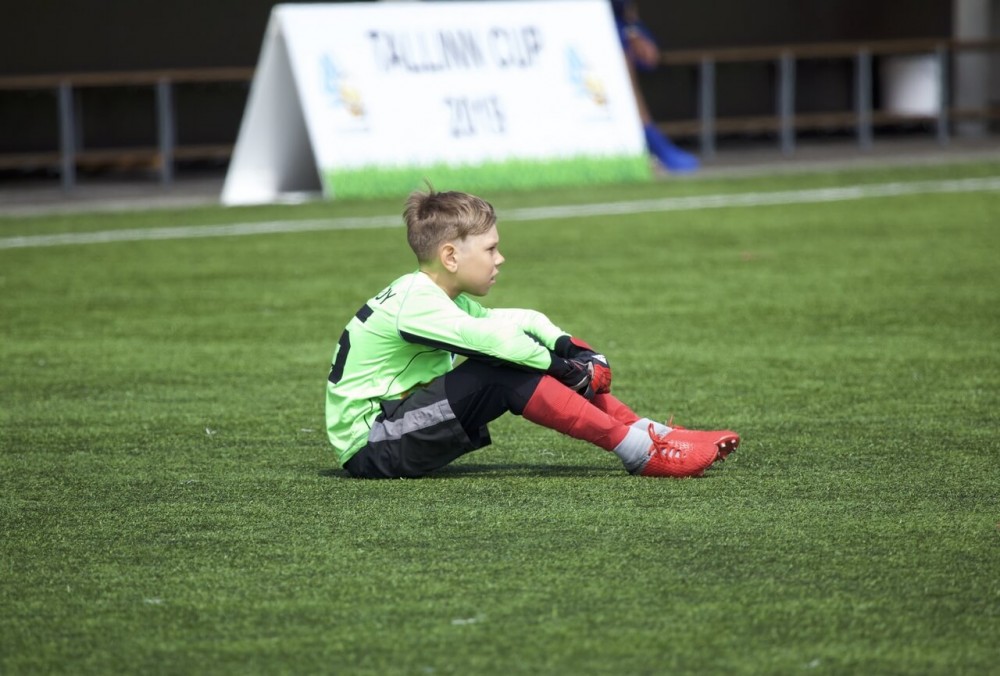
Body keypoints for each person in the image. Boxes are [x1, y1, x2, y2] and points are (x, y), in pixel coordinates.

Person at [325, 185, 738, 479]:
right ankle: (640, 452)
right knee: (501, 370)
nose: (500, 258)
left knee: (509, 359)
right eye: (490, 249)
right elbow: (499, 342)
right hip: (374, 445)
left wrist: (569, 348)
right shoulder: (417, 302)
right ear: (450, 256)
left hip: (395, 427)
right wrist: (567, 370)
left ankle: (651, 433)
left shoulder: (435, 294)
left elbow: (520, 321)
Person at [612, 0, 700, 173]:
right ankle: (651, 145)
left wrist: (634, 32)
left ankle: (648, 144)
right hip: (576, 20)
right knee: (621, 58)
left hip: (615, 24)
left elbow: (626, 9)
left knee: (641, 53)